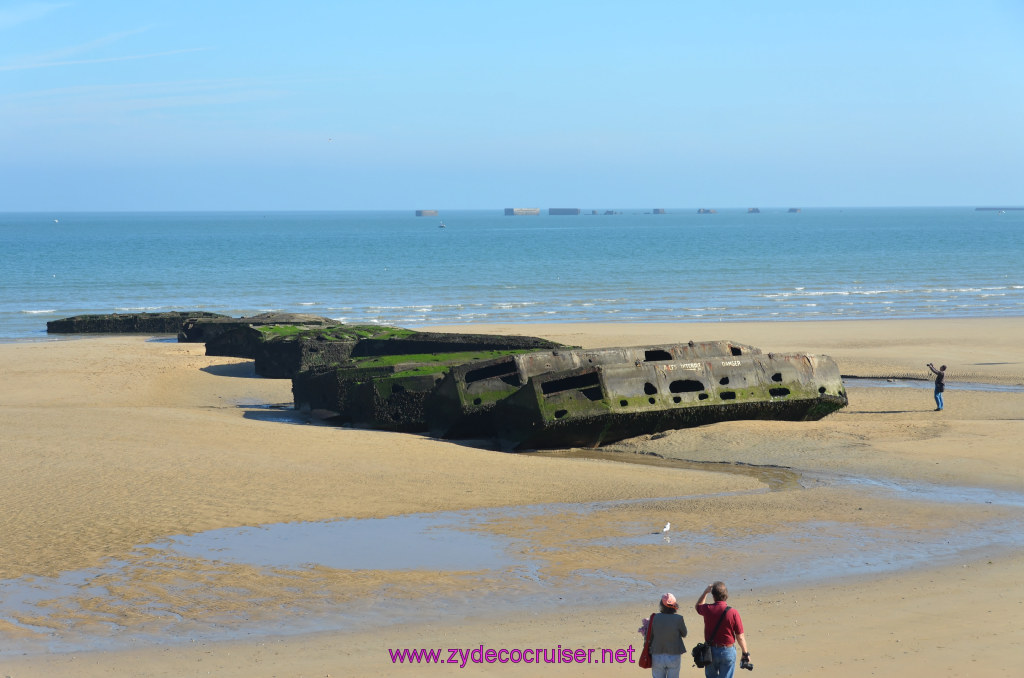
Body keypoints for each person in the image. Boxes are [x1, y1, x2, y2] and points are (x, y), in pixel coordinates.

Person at [695, 582, 750, 678]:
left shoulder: (708, 609)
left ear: (714, 596)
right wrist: (745, 653)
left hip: (710, 651)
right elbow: (740, 637)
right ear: (726, 595)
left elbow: (698, 606)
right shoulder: (733, 612)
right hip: (727, 651)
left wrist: (705, 592)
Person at [640, 592, 688, 678]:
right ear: (674, 605)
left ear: (661, 605)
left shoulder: (654, 617)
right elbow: (684, 634)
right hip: (674, 654)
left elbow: (649, 636)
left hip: (657, 654)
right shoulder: (679, 618)